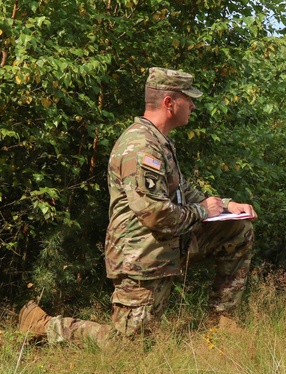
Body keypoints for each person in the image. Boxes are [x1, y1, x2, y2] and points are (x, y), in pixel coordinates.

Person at [19, 67, 257, 346]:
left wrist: (227, 206)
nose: (192, 105)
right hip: (141, 257)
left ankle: (221, 323)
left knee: (238, 228)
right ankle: (43, 325)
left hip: (166, 244)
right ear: (169, 103)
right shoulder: (140, 146)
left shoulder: (159, 141)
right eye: (187, 99)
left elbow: (183, 192)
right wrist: (204, 211)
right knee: (128, 347)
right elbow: (155, 214)